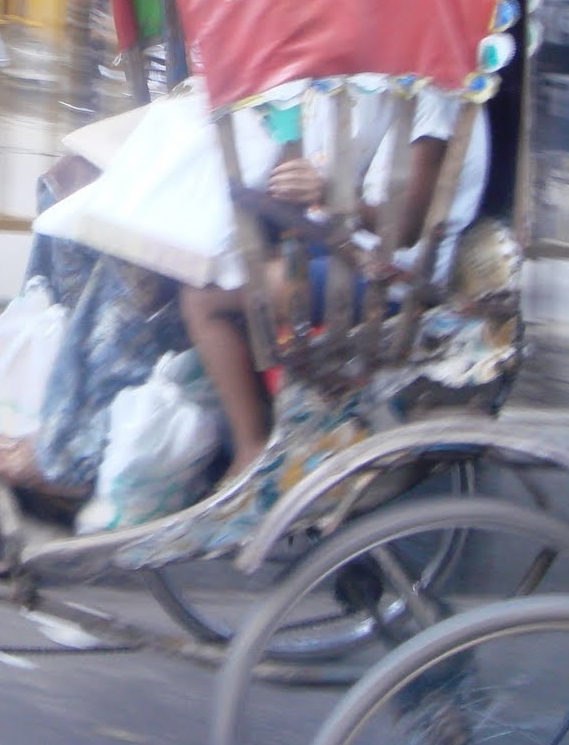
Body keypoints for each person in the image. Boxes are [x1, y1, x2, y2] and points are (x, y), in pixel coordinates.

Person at [179, 90, 490, 478]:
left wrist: (327, 192)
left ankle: (251, 448)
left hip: (389, 277)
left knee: (204, 301)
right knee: (214, 256)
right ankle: (264, 424)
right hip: (353, 251)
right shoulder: (383, 88)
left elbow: (405, 229)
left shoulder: (434, 101)